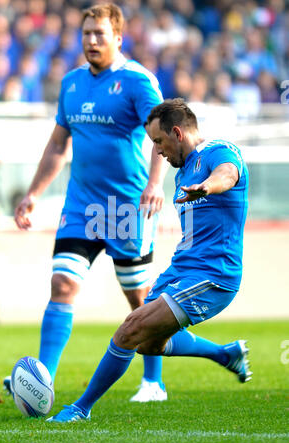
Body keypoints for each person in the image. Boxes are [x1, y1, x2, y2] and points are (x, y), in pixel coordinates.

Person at [46, 97, 252, 424]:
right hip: (182, 269)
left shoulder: (218, 152)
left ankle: (79, 409)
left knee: (129, 330)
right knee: (148, 345)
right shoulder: (185, 168)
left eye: (158, 141)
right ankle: (225, 354)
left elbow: (229, 174)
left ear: (177, 132)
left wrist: (208, 187)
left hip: (212, 275)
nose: (156, 151)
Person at [7, 3, 168, 403]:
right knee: (62, 284)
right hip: (81, 207)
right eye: (86, 34)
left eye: (99, 34)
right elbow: (59, 144)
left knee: (139, 299)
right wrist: (33, 194)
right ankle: (41, 382)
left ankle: (153, 382)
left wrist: (154, 184)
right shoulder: (71, 83)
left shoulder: (137, 82)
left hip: (126, 207)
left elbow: (162, 136)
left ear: (118, 37)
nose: (91, 41)